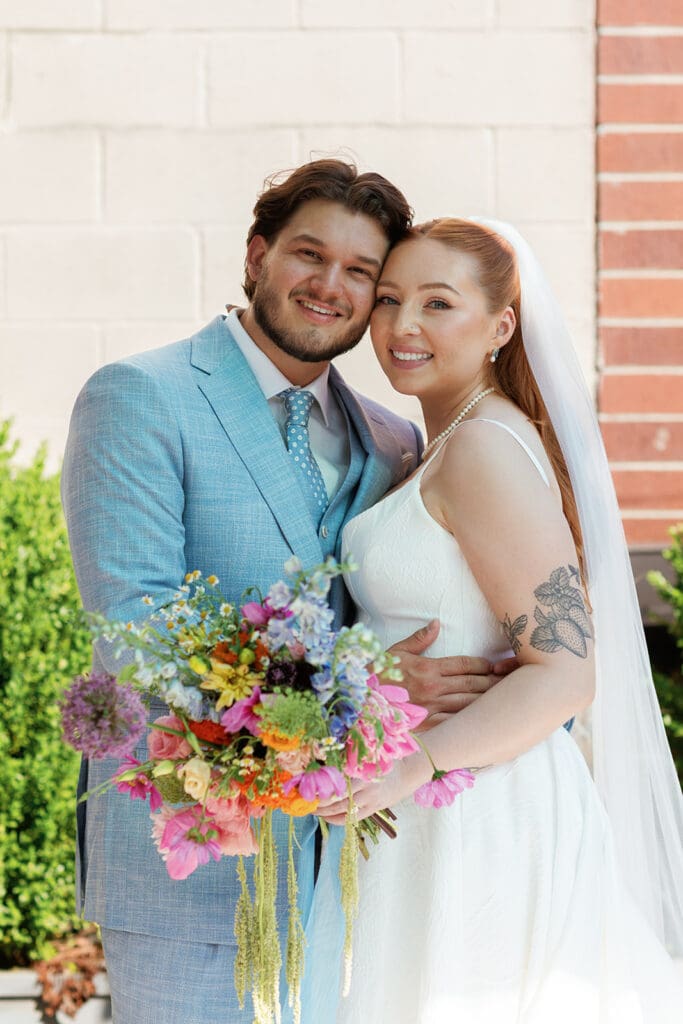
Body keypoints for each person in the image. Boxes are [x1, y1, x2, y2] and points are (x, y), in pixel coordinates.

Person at [60, 162, 506, 1024]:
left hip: (350, 855)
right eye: (309, 254)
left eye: (361, 273)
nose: (329, 286)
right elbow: (135, 627)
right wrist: (360, 696)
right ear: (257, 255)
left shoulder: (389, 437)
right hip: (188, 856)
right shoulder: (140, 397)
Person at [304, 218, 683, 1022]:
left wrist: (417, 763)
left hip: (480, 811)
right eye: (390, 300)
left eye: (437, 304)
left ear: (500, 325)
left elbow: (566, 673)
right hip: (430, 800)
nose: (402, 327)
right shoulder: (432, 443)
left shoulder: (480, 448)